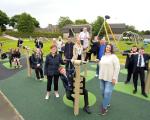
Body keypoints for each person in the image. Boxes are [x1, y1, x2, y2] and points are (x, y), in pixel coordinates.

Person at [99, 44, 120, 115]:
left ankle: (104, 109)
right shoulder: (103, 56)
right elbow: (102, 65)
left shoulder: (113, 57)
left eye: (109, 47)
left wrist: (114, 78)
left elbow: (117, 67)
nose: (107, 48)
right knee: (102, 92)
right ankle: (107, 102)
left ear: (111, 49)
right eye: (107, 47)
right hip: (102, 77)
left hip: (110, 78)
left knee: (107, 92)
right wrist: (98, 62)